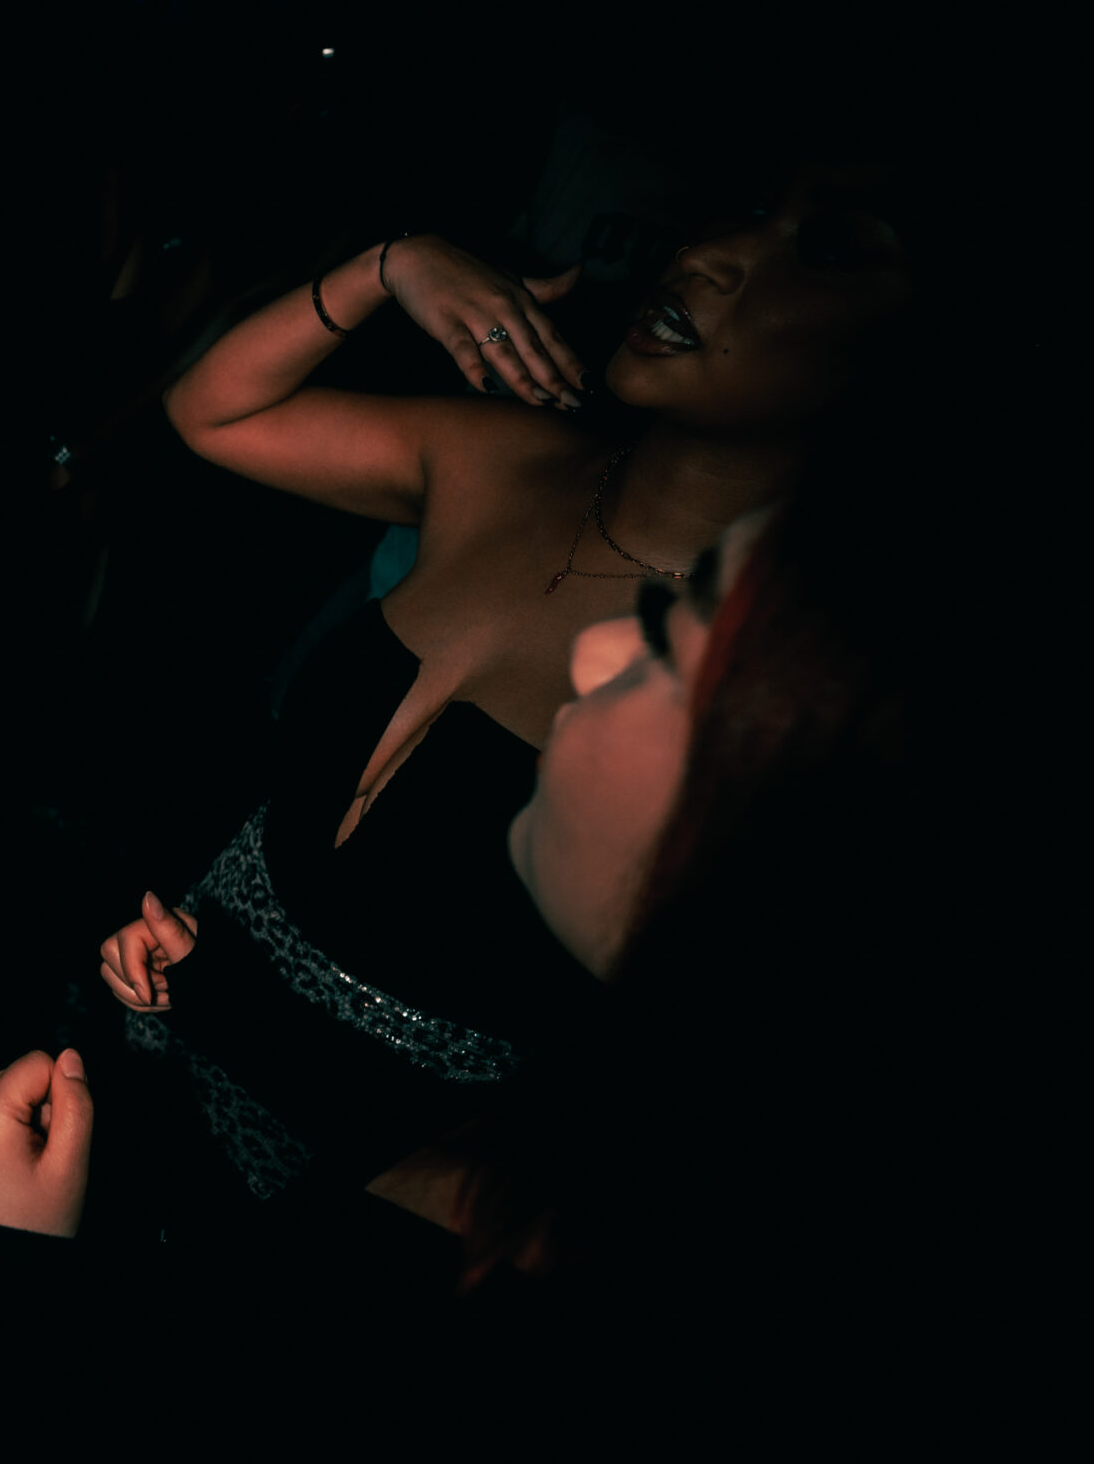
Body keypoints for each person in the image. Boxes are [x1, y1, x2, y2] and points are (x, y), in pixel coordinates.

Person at [103, 159, 924, 1210]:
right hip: (147, 1039)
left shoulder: (797, 694)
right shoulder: (502, 460)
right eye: (754, 213)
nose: (710, 255)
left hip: (356, 1209)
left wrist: (239, 1017)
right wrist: (389, 266)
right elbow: (211, 412)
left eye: (824, 249)